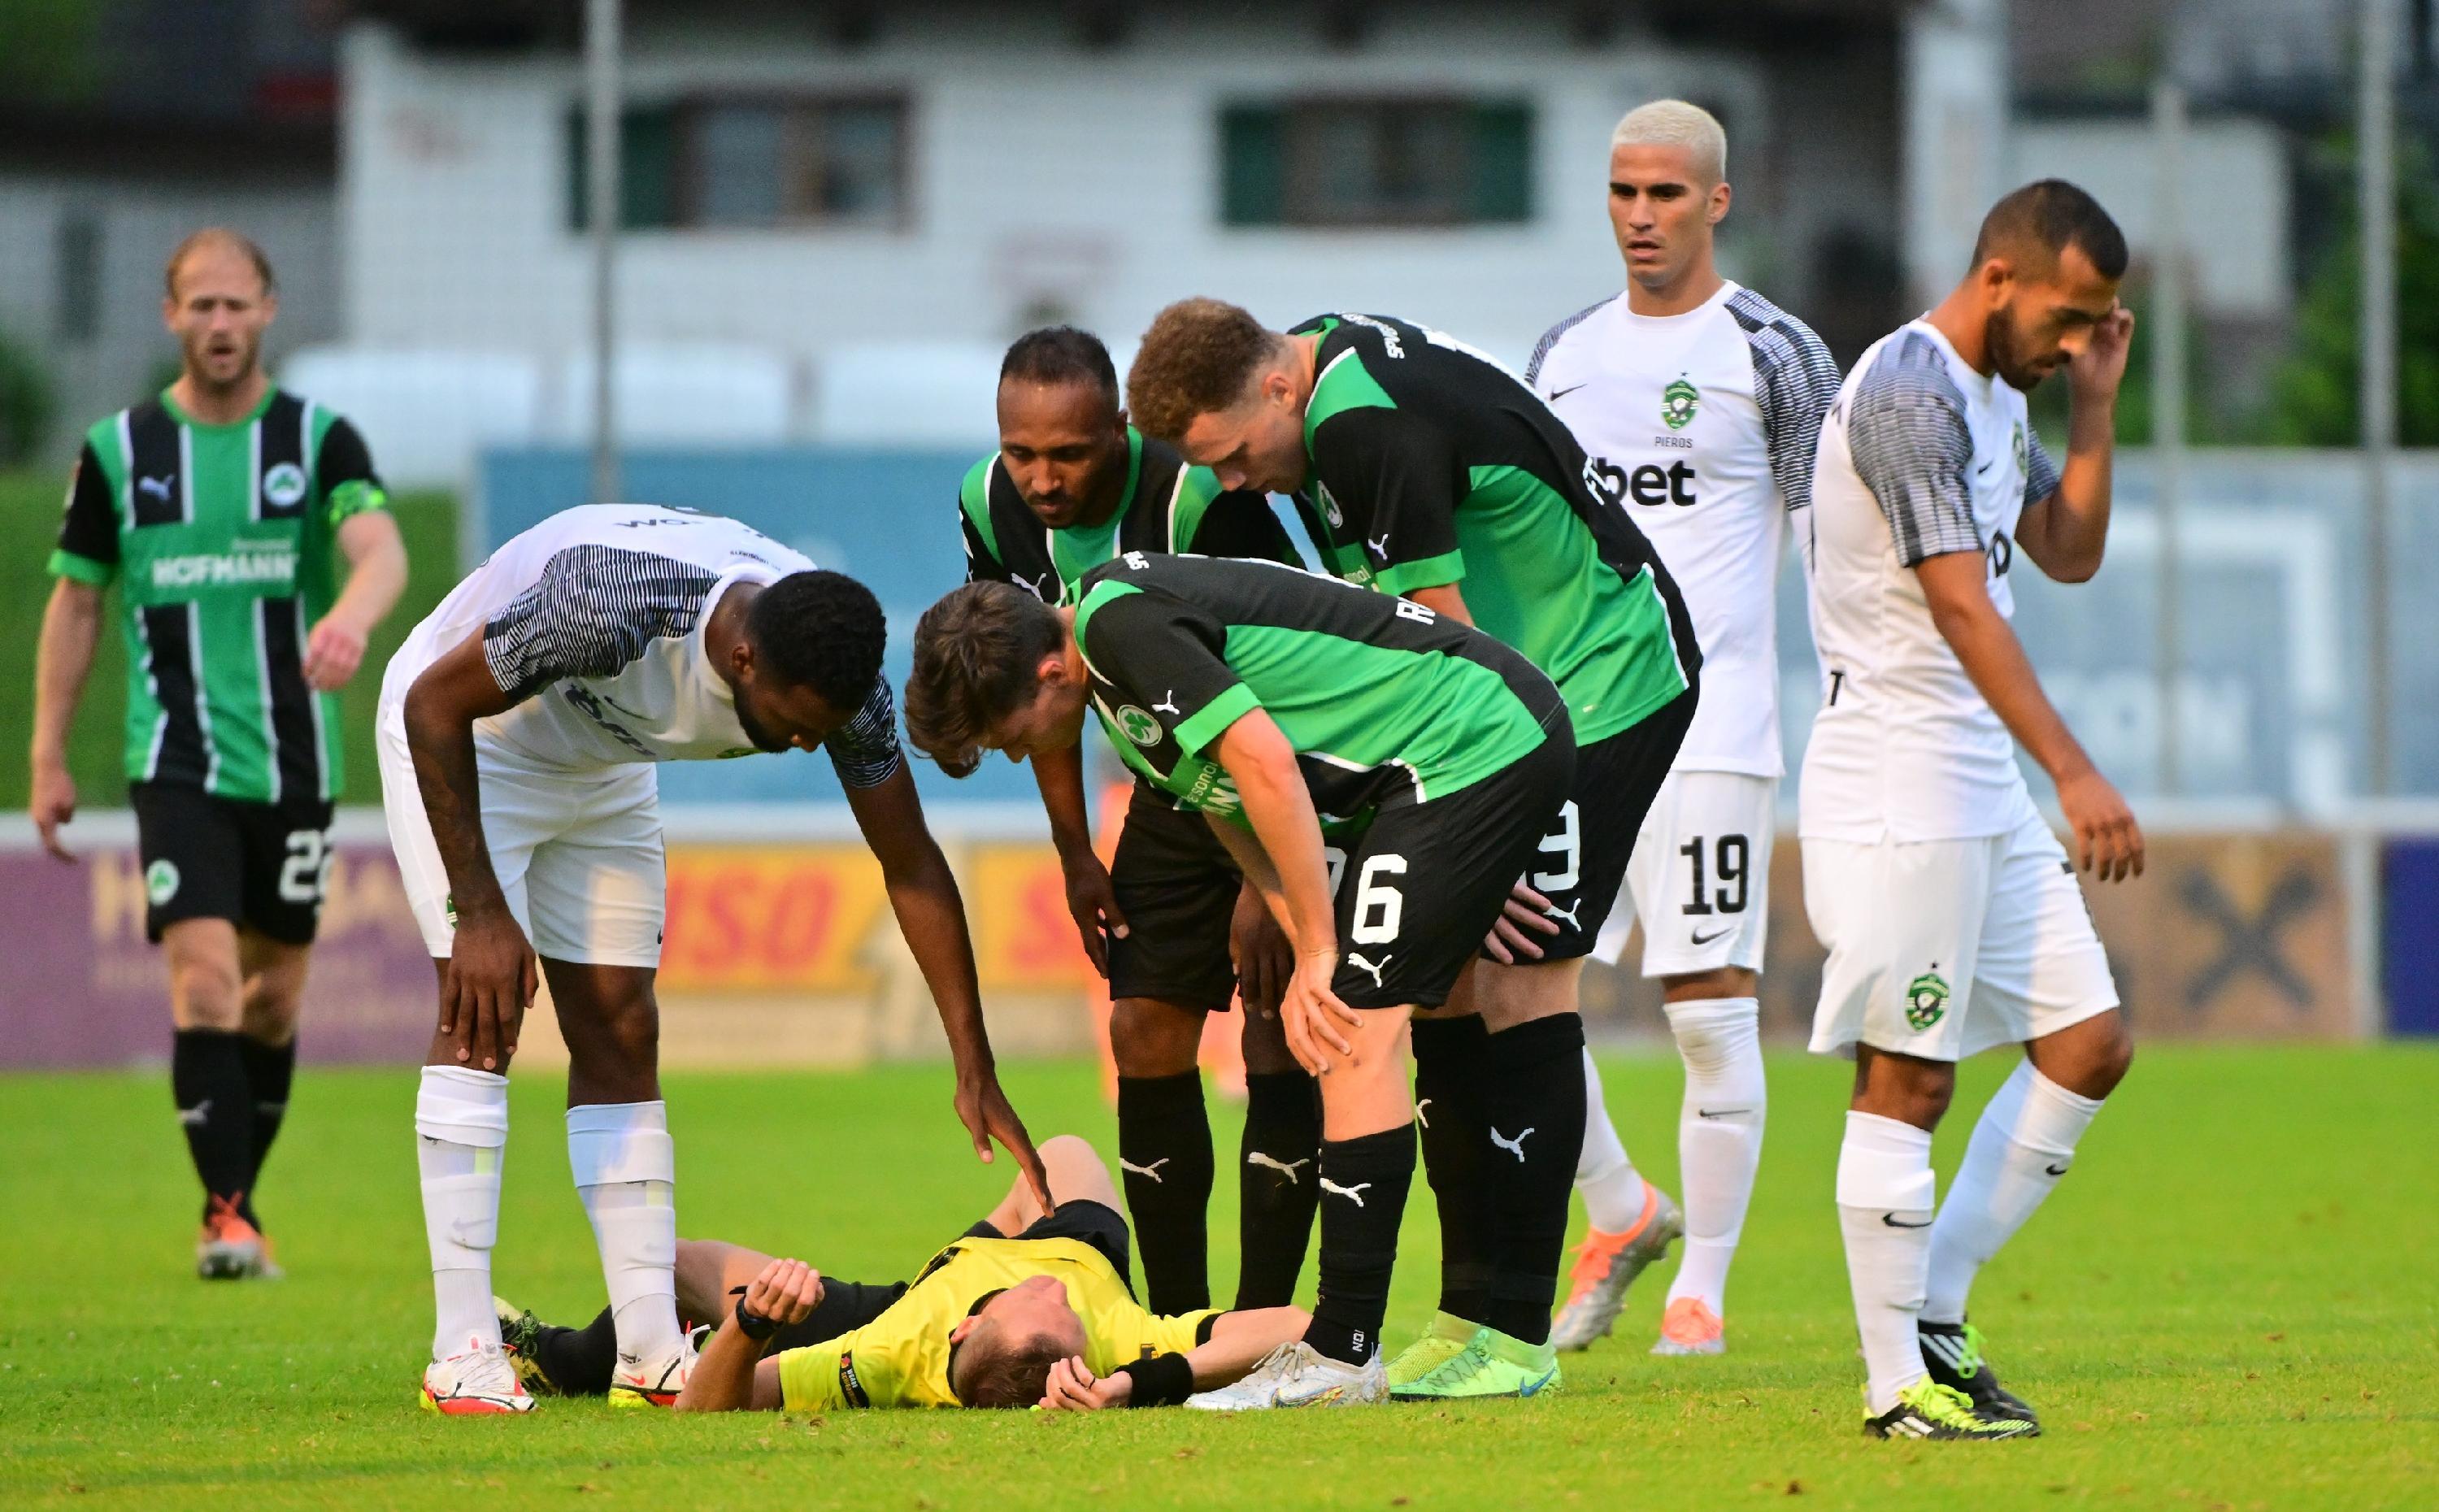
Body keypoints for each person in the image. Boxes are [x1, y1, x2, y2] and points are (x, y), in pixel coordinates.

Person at [1124, 299, 1700, 1400]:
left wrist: (1477, 838)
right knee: (1443, 994)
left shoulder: (1358, 426)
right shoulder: (1316, 379)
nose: (1239, 485)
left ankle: (1517, 1336)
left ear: (1279, 387)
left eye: (1239, 455)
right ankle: (1467, 1315)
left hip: (1598, 684)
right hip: (1514, 706)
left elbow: (1448, 640)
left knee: (1526, 981)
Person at [384, 503, 1045, 1416]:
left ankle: (651, 1351)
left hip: (601, 762)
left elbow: (910, 861)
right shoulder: (610, 605)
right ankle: (461, 1352)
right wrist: (482, 913)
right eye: (794, 722)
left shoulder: (837, 677)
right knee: (483, 1012)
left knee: (621, 1028)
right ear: (742, 659)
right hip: (474, 743)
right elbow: (433, 703)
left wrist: (974, 1060)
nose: (812, 741)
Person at [905, 556, 1578, 1407]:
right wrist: (1301, 926)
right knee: (1354, 1025)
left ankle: (1343, 1354)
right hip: (1440, 765)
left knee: (1352, 1031)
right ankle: (1354, 1347)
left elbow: (1265, 761)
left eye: (1008, 734)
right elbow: (1227, 799)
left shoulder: (1120, 631)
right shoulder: (1114, 683)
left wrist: (1322, 951)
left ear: (1048, 672)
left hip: (1471, 748)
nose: (1015, 755)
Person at [1803, 179, 2140, 1440]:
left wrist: (2097, 407)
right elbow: (1960, 604)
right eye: (2069, 318)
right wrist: (2074, 769)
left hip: (1970, 778)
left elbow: (2066, 547)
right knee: (1909, 1075)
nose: (2074, 343)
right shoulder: (1907, 395)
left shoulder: (2001, 395)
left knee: (2087, 1042)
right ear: (1999, 278)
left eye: (2098, 323)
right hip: (1900, 774)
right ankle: (1898, 1390)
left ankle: (1936, 1315)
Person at [28, 228, 409, 1280]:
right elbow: (76, 601)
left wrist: (352, 620)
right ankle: (231, 1217)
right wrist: (47, 755)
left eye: (237, 305)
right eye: (200, 306)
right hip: (176, 761)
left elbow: (379, 550)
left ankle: (234, 1203)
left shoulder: (316, 440)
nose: (220, 324)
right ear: (171, 317)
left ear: (269, 309)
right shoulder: (120, 452)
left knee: (274, 996)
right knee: (202, 984)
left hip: (294, 765)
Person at [1528, 100, 1841, 1357]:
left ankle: (1700, 1286)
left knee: (1708, 1010)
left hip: (1714, 730)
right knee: (1513, 993)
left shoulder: (1776, 352)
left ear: (1717, 201)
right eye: (1621, 192)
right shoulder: (1559, 355)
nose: (1640, 217)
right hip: (1572, 732)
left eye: (1665, 194)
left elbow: (1833, 543)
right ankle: (1619, 1206)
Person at [956, 326, 1316, 1318]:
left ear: (1117, 430)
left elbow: (1284, 671)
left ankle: (1264, 1324)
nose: (1040, 478)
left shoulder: (1194, 494)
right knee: (1143, 1027)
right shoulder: (987, 506)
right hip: (1169, 785)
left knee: (1277, 1030)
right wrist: (1076, 851)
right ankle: (1175, 1320)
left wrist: (1265, 885)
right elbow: (1046, 694)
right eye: (1021, 451)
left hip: (1280, 777)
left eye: (1068, 454)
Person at [498, 1134, 1314, 1411]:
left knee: (674, 1265)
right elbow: (1301, 1328)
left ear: (964, 1327)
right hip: (1043, 1240)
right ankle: (978, 1237)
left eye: (1042, 1299)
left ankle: (560, 1357)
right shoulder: (1118, 1337)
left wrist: (750, 1329)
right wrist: (1143, 1382)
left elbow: (707, 1405)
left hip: (898, 1302)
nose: (1054, 1287)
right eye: (1061, 1303)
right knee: (1058, 1156)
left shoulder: (888, 1355)